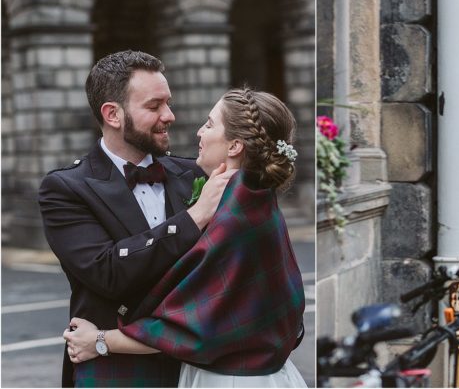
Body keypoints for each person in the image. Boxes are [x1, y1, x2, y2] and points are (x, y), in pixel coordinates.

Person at [62, 88, 307, 387]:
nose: (198, 131)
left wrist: (99, 340)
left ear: (235, 146)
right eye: (155, 104)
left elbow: (190, 327)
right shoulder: (250, 196)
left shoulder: (238, 215)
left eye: (209, 124)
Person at [39, 50, 236, 387]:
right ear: (113, 114)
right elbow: (109, 273)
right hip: (114, 367)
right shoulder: (66, 188)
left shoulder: (195, 175)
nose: (170, 115)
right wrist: (194, 217)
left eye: (168, 103)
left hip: (199, 364)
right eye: (154, 106)